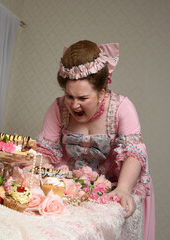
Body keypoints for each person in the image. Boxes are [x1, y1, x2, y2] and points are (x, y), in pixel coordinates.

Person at [35, 40, 155, 239]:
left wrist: (124, 188)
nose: (74, 105)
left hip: (117, 184)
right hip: (72, 189)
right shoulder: (57, 108)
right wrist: (47, 177)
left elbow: (134, 153)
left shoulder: (122, 107)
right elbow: (45, 151)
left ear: (101, 92)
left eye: (83, 98)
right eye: (69, 96)